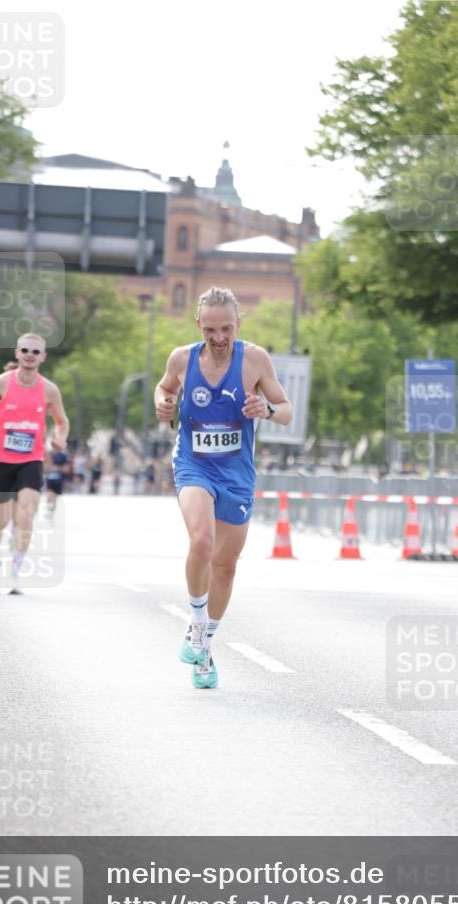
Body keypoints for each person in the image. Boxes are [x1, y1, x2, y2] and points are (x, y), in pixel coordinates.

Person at [154, 286, 292, 689]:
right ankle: (196, 623)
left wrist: (265, 409)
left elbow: (285, 410)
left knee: (225, 566)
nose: (218, 337)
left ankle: (206, 648)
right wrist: (163, 402)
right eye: (210, 329)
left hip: (236, 472)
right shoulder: (182, 358)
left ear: (238, 325)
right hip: (193, 463)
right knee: (201, 541)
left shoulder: (254, 360)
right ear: (198, 325)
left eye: (226, 328)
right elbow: (165, 388)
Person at [0, 333, 69, 595]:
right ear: (16, 353)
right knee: (0, 520)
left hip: (31, 459)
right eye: (25, 350)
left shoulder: (49, 389)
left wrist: (60, 438)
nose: (29, 355)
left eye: (35, 352)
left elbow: (62, 421)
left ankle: (14, 572)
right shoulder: (1, 383)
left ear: (43, 357)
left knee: (27, 512)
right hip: (1, 458)